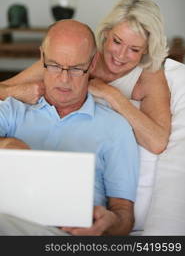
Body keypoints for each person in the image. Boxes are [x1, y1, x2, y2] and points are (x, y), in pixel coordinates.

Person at [0, 20, 139, 236]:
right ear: (42, 58)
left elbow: (124, 214)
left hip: (66, 235)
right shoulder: (13, 110)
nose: (64, 79)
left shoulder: (116, 129)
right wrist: (7, 144)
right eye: (54, 65)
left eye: (75, 68)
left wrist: (109, 222)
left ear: (92, 65)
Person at [0, 0, 171, 154]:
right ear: (106, 33)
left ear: (147, 49)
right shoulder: (76, 57)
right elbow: (3, 89)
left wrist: (111, 94)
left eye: (134, 49)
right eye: (117, 41)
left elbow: (157, 143)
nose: (121, 55)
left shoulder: (149, 76)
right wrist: (15, 92)